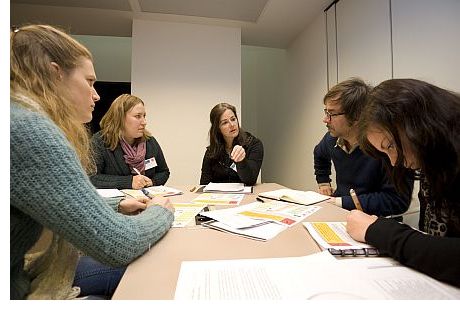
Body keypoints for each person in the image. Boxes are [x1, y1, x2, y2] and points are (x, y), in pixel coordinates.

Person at [10, 24, 174, 299]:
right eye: (89, 82)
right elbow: (117, 243)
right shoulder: (29, 129)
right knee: (145, 277)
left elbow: (59, 195)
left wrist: (117, 202)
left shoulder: (17, 118)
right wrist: (162, 211)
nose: (97, 95)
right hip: (15, 288)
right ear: (54, 73)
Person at [346, 79, 460, 287]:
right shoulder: (433, 163)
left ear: (418, 123)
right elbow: (433, 239)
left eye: (390, 146)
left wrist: (378, 231)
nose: (394, 161)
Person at [313, 78, 413, 216]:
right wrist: (323, 181)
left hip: (376, 221)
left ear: (357, 116)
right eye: (326, 112)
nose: (325, 119)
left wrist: (339, 202)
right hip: (341, 212)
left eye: (332, 114)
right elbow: (319, 154)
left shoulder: (386, 147)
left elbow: (396, 201)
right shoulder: (331, 139)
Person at [90, 94, 170, 189]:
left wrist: (153, 181)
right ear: (120, 118)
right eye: (137, 116)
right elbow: (91, 178)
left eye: (144, 116)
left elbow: (163, 172)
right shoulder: (100, 141)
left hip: (146, 199)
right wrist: (129, 182)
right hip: (117, 202)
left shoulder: (150, 141)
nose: (144, 122)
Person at [200, 103, 263, 185]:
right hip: (217, 196)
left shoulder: (253, 144)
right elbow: (204, 184)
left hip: (245, 196)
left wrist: (241, 161)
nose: (232, 125)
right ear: (218, 128)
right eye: (225, 123)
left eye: (233, 119)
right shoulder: (212, 151)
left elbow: (250, 180)